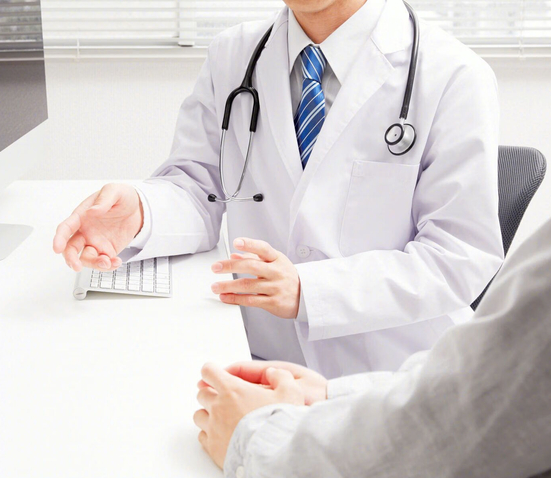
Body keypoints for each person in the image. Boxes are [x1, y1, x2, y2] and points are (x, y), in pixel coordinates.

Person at [53, 0, 504, 377]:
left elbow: (459, 255)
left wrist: (311, 291)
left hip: (395, 379)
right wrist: (141, 212)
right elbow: (198, 188)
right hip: (261, 362)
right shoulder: (233, 55)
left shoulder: (453, 75)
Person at [193, 216, 551, 477]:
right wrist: (331, 395)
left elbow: (456, 429)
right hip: (406, 386)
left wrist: (257, 438)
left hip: (403, 373)